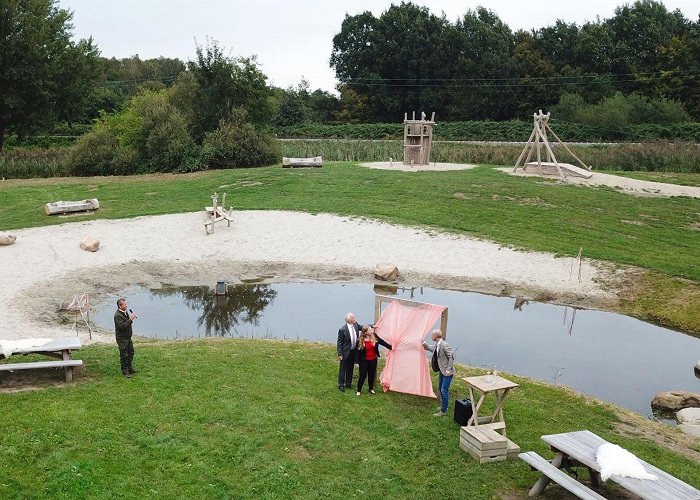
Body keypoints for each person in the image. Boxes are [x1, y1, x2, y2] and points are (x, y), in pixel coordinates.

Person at [422, 329, 454, 416]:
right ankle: (444, 406)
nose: (431, 336)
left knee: (444, 390)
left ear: (435, 336)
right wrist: (424, 343)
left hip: (447, 372)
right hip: (442, 371)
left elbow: (451, 357)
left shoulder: (444, 345)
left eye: (432, 335)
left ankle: (443, 411)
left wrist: (448, 369)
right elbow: (433, 350)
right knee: (440, 388)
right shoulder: (438, 344)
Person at [355, 325, 392, 396]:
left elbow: (382, 342)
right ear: (365, 332)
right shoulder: (360, 341)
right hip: (364, 361)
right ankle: (359, 390)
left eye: (371, 329)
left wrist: (390, 347)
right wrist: (356, 362)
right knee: (363, 376)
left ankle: (371, 389)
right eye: (370, 330)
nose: (371, 331)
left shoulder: (374, 336)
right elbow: (357, 352)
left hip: (373, 360)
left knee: (371, 375)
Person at [337, 312, 361, 392]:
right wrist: (340, 354)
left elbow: (362, 327)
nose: (355, 318)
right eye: (353, 317)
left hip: (353, 351)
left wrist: (374, 325)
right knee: (343, 368)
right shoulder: (342, 330)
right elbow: (339, 342)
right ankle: (341, 384)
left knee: (350, 367)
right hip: (345, 352)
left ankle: (348, 383)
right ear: (350, 320)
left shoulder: (356, 325)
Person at [114, 297, 137, 377]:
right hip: (122, 338)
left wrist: (129, 317)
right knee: (124, 355)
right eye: (125, 304)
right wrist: (130, 319)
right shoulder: (117, 316)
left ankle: (130, 368)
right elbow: (123, 326)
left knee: (131, 352)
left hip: (128, 337)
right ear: (120, 306)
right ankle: (125, 371)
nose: (126, 306)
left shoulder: (125, 312)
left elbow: (127, 323)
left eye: (126, 304)